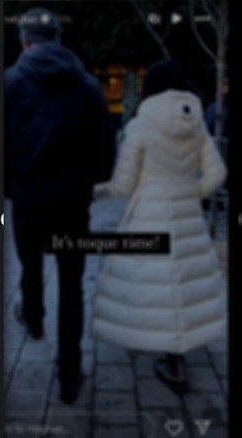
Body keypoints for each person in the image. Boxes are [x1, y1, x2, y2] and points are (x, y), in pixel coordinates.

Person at [93, 60, 227, 394]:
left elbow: (123, 184)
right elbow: (217, 173)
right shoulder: (195, 122)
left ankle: (161, 351)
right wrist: (188, 194)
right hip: (187, 213)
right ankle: (175, 355)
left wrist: (97, 192)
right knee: (183, 280)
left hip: (149, 210)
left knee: (149, 280)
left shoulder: (141, 126)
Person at [4, 7, 115, 403]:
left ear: (25, 43)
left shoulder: (12, 83)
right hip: (72, 205)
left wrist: (12, 186)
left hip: (29, 202)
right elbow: (106, 152)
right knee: (72, 288)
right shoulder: (86, 86)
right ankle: (70, 375)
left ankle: (33, 318)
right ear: (57, 41)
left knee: (30, 266)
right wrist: (86, 181)